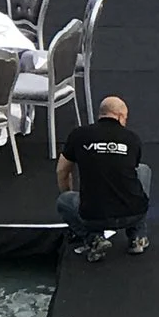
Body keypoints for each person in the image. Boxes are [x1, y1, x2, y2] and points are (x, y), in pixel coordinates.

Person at [57, 96, 150, 260]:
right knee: (143, 170)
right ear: (120, 116)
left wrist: (72, 197)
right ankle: (137, 236)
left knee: (64, 200)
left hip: (93, 216)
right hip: (133, 212)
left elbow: (62, 171)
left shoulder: (79, 135)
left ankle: (93, 238)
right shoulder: (132, 138)